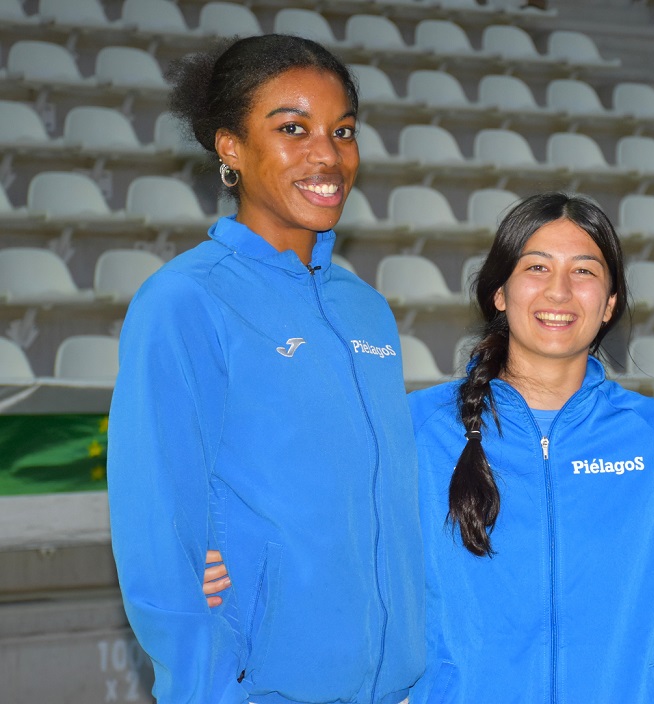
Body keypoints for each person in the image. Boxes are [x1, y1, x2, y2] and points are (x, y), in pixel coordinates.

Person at [206, 192, 654, 702]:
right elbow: (333, 543)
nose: (559, 291)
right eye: (537, 267)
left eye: (584, 272)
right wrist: (231, 560)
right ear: (499, 291)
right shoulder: (418, 428)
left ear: (610, 302)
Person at [107, 35, 423, 704]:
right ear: (230, 147)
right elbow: (159, 535)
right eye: (292, 128)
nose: (327, 155)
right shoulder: (186, 300)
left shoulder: (366, 311)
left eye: (342, 131)